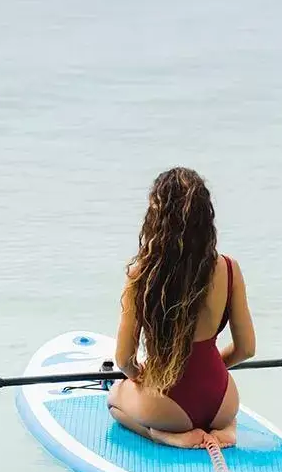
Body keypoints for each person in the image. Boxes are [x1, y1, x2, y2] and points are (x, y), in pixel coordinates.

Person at [106, 167, 256, 448]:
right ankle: (227, 431)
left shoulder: (142, 274)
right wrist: (209, 372)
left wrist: (146, 378)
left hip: (167, 406)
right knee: (217, 405)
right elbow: (246, 349)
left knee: (115, 399)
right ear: (206, 218)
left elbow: (125, 360)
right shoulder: (229, 268)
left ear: (156, 219)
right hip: (221, 401)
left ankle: (164, 435)